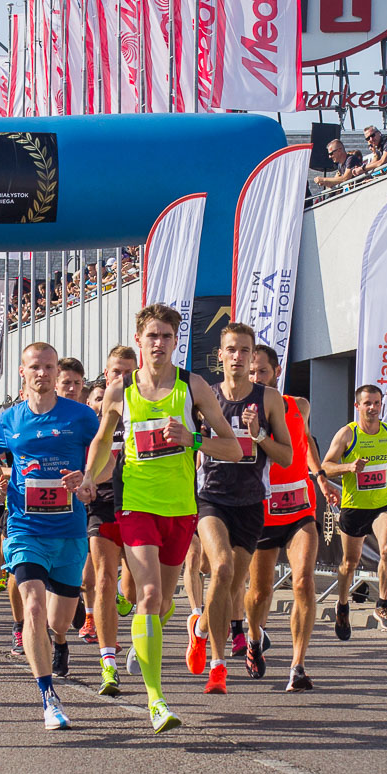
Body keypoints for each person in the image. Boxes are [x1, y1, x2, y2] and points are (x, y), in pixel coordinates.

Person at [84, 304, 245, 733]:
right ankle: (156, 700)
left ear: (177, 341)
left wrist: (192, 439)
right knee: (151, 594)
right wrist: (87, 478)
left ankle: (143, 631)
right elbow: (102, 440)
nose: (158, 344)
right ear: (139, 341)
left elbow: (234, 449)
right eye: (151, 336)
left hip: (181, 508)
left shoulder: (194, 387)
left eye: (166, 337)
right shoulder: (122, 390)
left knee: (164, 602)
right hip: (136, 501)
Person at [0, 342, 99, 730]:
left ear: (57, 372)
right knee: (34, 609)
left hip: (70, 531)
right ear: (22, 373)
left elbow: (103, 456)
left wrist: (88, 479)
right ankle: (48, 697)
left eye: (48, 367)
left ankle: (59, 641)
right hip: (26, 527)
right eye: (35, 367)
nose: (42, 373)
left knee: (58, 621)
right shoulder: (11, 419)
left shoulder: (81, 416)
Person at [187, 324, 294, 695]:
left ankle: (199, 627)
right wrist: (201, 444)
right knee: (220, 567)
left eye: (244, 350)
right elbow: (189, 444)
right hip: (212, 498)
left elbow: (286, 456)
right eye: (230, 350)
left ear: (252, 356)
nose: (237, 356)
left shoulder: (268, 400)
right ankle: (217, 664)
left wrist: (258, 435)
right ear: (220, 355)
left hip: (250, 503)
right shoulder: (205, 396)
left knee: (233, 586)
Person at [244, 344, 332, 691]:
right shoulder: (243, 413)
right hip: (263, 512)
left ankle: (298, 664)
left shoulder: (300, 406)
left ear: (276, 372)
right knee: (260, 592)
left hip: (300, 510)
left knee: (303, 582)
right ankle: (253, 637)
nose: (255, 378)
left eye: (261, 372)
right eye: (251, 373)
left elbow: (305, 441)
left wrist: (320, 475)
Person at [321, 384, 387, 637]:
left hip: (383, 504)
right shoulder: (348, 434)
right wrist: (348, 467)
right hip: (354, 506)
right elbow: (325, 466)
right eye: (367, 403)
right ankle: (342, 605)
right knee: (349, 563)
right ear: (357, 406)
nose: (373, 408)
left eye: (377, 403)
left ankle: (382, 605)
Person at [83, 346, 138, 695]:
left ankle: (123, 602)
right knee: (103, 577)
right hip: (103, 505)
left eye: (128, 373)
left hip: (138, 504)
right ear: (106, 375)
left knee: (132, 589)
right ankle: (108, 663)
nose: (122, 379)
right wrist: (89, 477)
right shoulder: (93, 416)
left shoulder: (146, 408)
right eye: (116, 373)